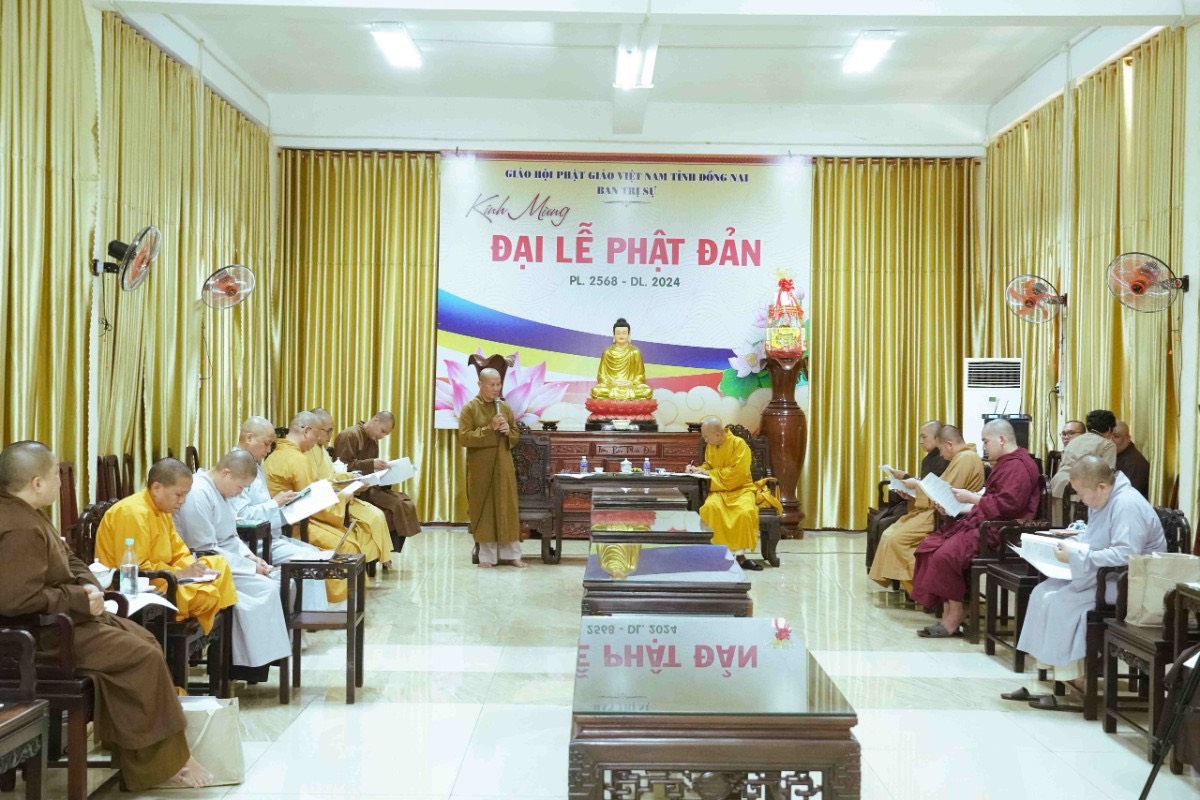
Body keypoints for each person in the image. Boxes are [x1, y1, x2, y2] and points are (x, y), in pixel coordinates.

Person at [0, 442, 212, 790]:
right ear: (36, 483)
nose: (61, 481)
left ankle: (137, 752)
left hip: (60, 623)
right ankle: (167, 763)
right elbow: (15, 599)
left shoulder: (28, 513)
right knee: (142, 656)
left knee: (144, 639)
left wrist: (89, 586)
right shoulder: (18, 526)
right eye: (55, 475)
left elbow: (70, 559)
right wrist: (80, 599)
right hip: (38, 637)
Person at [1009, 456, 1165, 708]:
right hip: (1104, 575)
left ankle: (1080, 683)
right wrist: (1068, 544)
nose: (1080, 500)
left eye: (1081, 493)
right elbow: (1093, 538)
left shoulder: (1126, 504)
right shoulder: (1104, 499)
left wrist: (1075, 556)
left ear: (1101, 486)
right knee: (1042, 592)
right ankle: (1060, 673)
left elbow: (1127, 554)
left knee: (1061, 603)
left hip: (1130, 584)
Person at [910, 418, 1042, 637]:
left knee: (945, 554)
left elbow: (1008, 506)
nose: (984, 447)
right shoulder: (1006, 463)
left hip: (1003, 531)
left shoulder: (1018, 465)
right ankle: (951, 610)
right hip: (986, 522)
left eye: (986, 441)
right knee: (930, 547)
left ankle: (954, 616)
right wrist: (957, 508)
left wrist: (971, 498)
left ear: (1001, 439)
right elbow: (992, 501)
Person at [174, 449, 291, 673]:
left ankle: (258, 663)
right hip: (205, 565)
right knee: (265, 588)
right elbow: (204, 549)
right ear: (226, 473)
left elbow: (230, 537)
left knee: (276, 583)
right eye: (240, 487)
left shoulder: (220, 492)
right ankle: (241, 664)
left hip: (226, 560)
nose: (240, 493)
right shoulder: (198, 493)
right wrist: (250, 568)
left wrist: (251, 557)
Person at [96, 459, 237, 635]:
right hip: (142, 584)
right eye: (178, 495)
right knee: (206, 596)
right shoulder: (132, 513)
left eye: (185, 495)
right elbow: (134, 569)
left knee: (219, 565)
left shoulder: (162, 510)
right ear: (156, 488)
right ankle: (212, 642)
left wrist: (196, 569)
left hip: (167, 575)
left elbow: (179, 551)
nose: (182, 501)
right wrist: (179, 574)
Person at [230, 415, 345, 607]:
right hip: (253, 542)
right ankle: (309, 617)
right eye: (266, 444)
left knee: (314, 552)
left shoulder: (254, 466)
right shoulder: (235, 467)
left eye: (271, 445)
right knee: (311, 560)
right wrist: (274, 504)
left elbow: (262, 507)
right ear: (249, 438)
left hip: (271, 534)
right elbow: (241, 517)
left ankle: (309, 615)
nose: (268, 451)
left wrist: (289, 504)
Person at [869, 425, 985, 591]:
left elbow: (946, 493)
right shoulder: (960, 457)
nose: (941, 455)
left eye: (941, 449)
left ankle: (924, 589)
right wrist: (912, 493)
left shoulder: (966, 458)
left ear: (949, 444)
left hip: (946, 516)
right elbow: (938, 487)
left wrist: (916, 485)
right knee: (889, 534)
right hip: (935, 510)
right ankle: (917, 589)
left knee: (896, 540)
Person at [263, 411, 380, 566]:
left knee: (350, 538)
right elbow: (311, 503)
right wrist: (343, 496)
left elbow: (310, 490)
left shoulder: (277, 454)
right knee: (349, 546)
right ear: (306, 431)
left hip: (289, 519)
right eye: (316, 436)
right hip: (296, 524)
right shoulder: (297, 459)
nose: (317, 441)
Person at [307, 408, 393, 571]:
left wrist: (352, 479)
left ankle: (374, 559)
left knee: (386, 511)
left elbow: (333, 475)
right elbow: (315, 484)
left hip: (342, 494)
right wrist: (349, 485)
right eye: (328, 430)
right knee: (375, 518)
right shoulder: (308, 451)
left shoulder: (320, 450)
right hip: (330, 501)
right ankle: (365, 561)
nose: (331, 436)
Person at [458, 367, 525, 568]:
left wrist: (508, 431)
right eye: (492, 384)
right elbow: (464, 438)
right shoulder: (470, 408)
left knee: (507, 507)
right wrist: (489, 428)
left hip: (503, 464)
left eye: (499, 384)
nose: (496, 388)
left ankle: (512, 555)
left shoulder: (504, 407)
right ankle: (486, 557)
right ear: (480, 384)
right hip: (481, 467)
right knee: (484, 508)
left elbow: (515, 434)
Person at [333, 411, 422, 553]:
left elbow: (371, 469)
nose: (382, 436)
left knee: (405, 503)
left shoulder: (373, 441)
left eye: (385, 434)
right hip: (355, 490)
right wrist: (371, 464)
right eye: (383, 431)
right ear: (375, 420)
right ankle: (383, 552)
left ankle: (386, 551)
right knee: (395, 505)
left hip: (370, 487)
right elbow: (340, 468)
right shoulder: (350, 435)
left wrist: (387, 473)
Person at [866, 420, 949, 571]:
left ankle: (888, 570)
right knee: (878, 521)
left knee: (885, 524)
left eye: (924, 437)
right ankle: (876, 567)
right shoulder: (929, 458)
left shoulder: (943, 459)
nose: (921, 441)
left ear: (938, 438)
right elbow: (924, 484)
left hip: (928, 508)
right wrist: (905, 481)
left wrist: (905, 477)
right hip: (916, 501)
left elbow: (932, 489)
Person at [688, 415, 763, 571]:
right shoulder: (711, 445)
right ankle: (716, 554)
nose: (705, 440)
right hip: (720, 490)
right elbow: (708, 466)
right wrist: (697, 469)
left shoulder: (739, 444)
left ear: (717, 434)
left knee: (745, 512)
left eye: (706, 437)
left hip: (741, 489)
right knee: (709, 508)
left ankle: (740, 556)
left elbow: (739, 473)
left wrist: (710, 474)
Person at [1049, 409, 1117, 523]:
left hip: (1057, 487)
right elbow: (1106, 475)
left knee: (1057, 527)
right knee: (1076, 530)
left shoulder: (1074, 441)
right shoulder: (1107, 445)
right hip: (1078, 493)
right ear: (1110, 428)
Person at [590, 317, 653, 400]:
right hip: (612, 386)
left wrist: (631, 382)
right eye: (618, 333)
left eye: (624, 333)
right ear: (614, 335)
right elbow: (601, 376)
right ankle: (624, 397)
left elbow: (640, 375)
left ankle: (618, 397)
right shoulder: (607, 351)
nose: (621, 335)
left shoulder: (634, 352)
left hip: (630, 386)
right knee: (596, 391)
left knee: (647, 391)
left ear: (628, 335)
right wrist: (612, 382)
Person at [1112, 420, 1151, 499]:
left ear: (1128, 438)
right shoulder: (1115, 455)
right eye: (1108, 436)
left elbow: (1125, 496)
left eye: (1116, 436)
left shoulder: (1135, 463)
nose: (1110, 440)